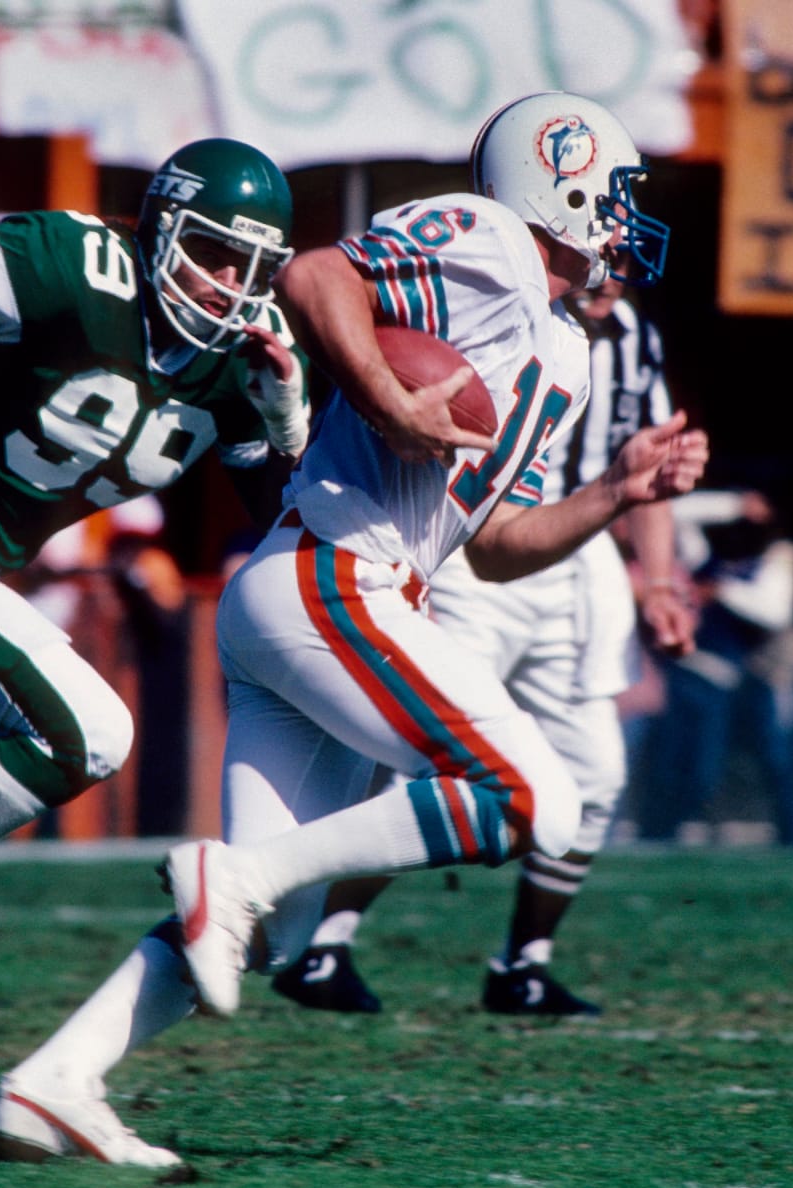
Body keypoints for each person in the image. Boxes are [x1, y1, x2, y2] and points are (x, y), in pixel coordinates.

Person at [0, 91, 707, 1167]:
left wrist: (614, 489)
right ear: (555, 182)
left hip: (342, 593)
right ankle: (231, 880)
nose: (620, 220)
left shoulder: (564, 350)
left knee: (268, 929)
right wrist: (385, 395)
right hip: (328, 574)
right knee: (531, 797)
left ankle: (53, 1082)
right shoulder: (492, 237)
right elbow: (315, 274)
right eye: (609, 196)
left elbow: (494, 541)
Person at [0, 138, 312, 1053]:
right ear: (163, 225)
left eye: (251, 264)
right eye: (211, 251)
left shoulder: (245, 360)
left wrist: (288, 426)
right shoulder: (74, 264)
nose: (227, 281)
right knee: (89, 732)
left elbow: (289, 525)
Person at [269, 275, 695, 1017]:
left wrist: (658, 582)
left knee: (594, 773)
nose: (610, 269)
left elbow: (647, 481)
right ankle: (324, 943)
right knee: (433, 759)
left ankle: (524, 964)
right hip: (478, 547)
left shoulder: (637, 341)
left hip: (580, 561)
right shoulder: (506, 310)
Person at [640, 488, 793, 846]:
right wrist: (733, 503)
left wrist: (722, 590)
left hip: (751, 679)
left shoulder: (776, 558)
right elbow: (674, 512)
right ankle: (657, 835)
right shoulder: (711, 559)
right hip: (697, 673)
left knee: (765, 760)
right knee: (677, 764)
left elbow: (774, 611)